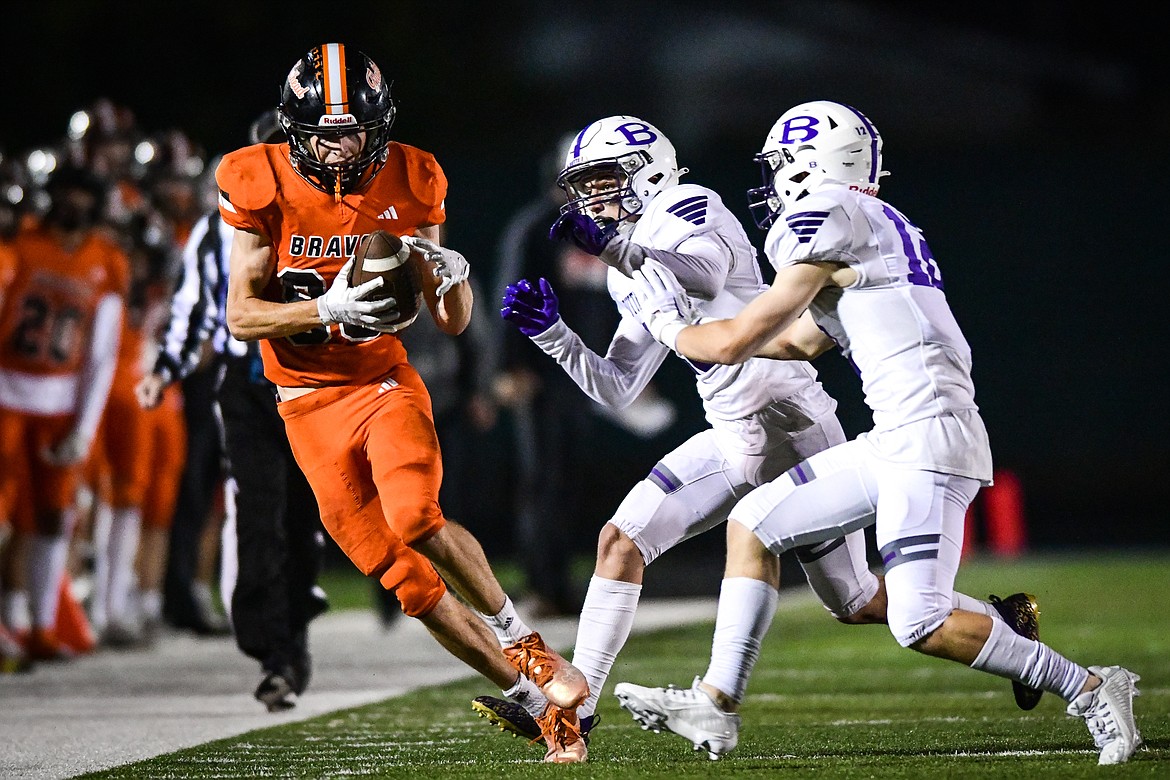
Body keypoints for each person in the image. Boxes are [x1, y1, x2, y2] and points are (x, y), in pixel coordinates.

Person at [478, 115, 1037, 760]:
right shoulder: (622, 262)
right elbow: (619, 388)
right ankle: (573, 711)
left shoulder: (687, 207)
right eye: (584, 185)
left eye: (606, 180)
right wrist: (557, 338)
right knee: (619, 541)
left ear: (647, 169)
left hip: (792, 425)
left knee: (853, 600)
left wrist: (619, 253)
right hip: (732, 434)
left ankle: (1003, 630)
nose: (594, 198)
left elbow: (703, 275)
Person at [617, 100, 1141, 765]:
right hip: (897, 436)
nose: (772, 182)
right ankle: (716, 705)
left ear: (810, 165)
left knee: (918, 622)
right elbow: (796, 343)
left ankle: (1092, 686)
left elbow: (743, 337)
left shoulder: (828, 213)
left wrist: (668, 322)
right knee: (753, 523)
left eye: (779, 166)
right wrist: (707, 337)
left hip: (929, 439)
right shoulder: (870, 221)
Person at [216, 42, 590, 761]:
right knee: (411, 587)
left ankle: (530, 647)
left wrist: (451, 277)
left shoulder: (413, 175)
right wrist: (325, 306)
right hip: (303, 402)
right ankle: (544, 708)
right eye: (325, 132)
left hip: (382, 383)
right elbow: (241, 314)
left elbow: (448, 320)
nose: (340, 146)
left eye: (354, 129)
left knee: (417, 516)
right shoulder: (251, 178)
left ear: (379, 124)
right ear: (294, 129)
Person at [139, 108, 332, 710]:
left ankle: (293, 619)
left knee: (304, 517)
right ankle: (274, 648)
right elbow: (193, 308)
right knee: (258, 512)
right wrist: (164, 370)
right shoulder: (219, 226)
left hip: (313, 385)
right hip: (250, 389)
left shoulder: (332, 219)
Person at [0, 164, 128, 661]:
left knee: (53, 519)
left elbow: (102, 351)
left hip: (58, 404)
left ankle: (40, 626)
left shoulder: (106, 258)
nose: (74, 201)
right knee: (7, 518)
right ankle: (12, 619)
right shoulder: (20, 244)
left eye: (83, 192)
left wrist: (84, 424)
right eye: (66, 191)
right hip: (7, 395)